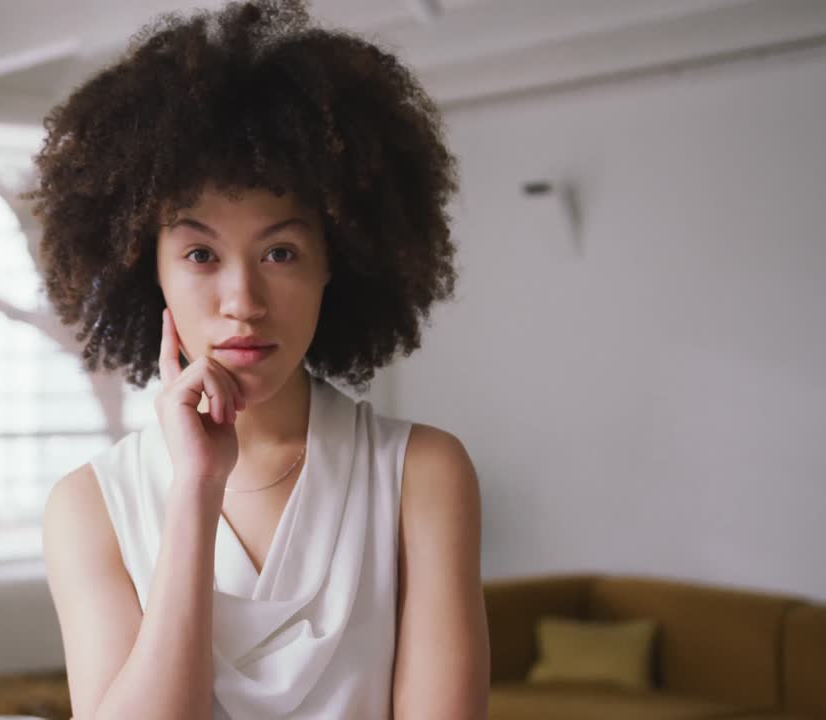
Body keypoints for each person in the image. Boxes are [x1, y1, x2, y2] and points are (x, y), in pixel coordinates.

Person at [31, 1, 489, 717]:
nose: (242, 300)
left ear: (336, 261)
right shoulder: (89, 507)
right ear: (145, 267)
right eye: (201, 254)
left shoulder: (422, 477)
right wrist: (196, 489)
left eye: (281, 251)